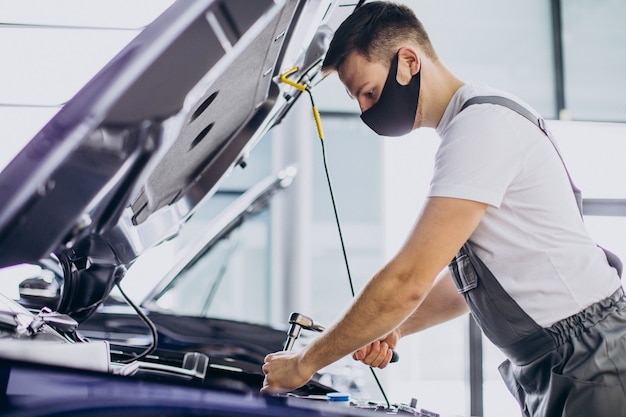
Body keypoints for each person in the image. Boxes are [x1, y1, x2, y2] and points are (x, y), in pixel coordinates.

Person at [261, 2, 626, 416]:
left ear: (408, 61)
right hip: (557, 361)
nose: (366, 111)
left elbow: (408, 280)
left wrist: (304, 362)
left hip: (591, 355)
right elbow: (470, 286)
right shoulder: (468, 130)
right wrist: (396, 326)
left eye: (369, 92)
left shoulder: (480, 127)